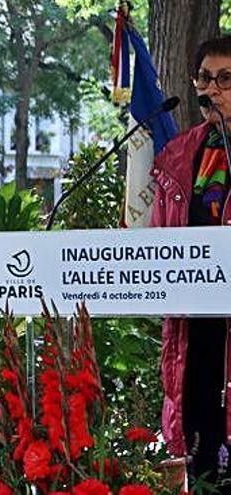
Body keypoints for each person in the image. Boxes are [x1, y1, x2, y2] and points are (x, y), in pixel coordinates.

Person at [152, 36, 231, 492]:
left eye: (225, 79)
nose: (211, 89)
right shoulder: (179, 157)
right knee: (203, 467)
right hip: (193, 333)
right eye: (204, 78)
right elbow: (160, 247)